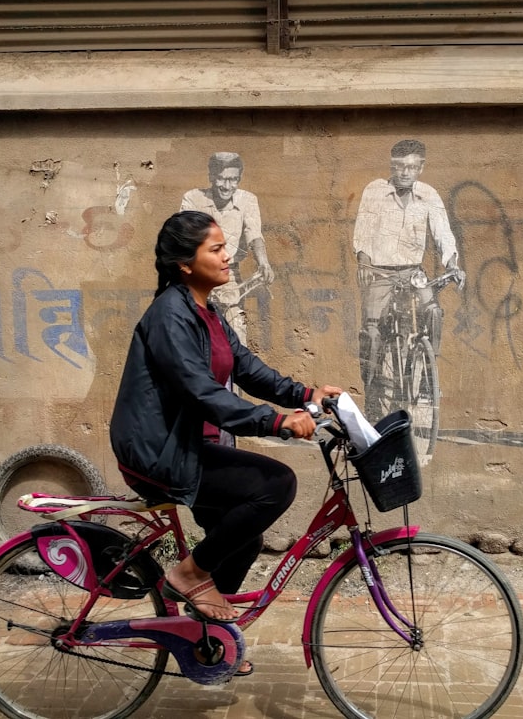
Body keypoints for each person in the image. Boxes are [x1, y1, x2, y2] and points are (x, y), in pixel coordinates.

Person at [110, 211, 341, 641]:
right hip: (156, 452)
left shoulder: (207, 313)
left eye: (225, 247)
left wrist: (307, 397)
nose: (228, 256)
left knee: (242, 539)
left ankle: (205, 641)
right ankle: (190, 573)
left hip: (183, 446)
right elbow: (203, 393)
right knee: (276, 484)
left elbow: (249, 370)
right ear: (185, 263)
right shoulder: (169, 317)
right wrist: (277, 422)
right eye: (215, 249)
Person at [353, 139, 463, 415]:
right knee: (373, 333)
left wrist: (453, 263)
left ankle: (426, 376)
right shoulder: (375, 191)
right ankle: (373, 395)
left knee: (433, 312)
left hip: (413, 273)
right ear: (392, 166)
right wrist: (364, 262)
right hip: (380, 273)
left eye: (412, 167)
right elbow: (362, 233)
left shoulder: (429, 195)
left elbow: (443, 234)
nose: (405, 173)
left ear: (421, 168)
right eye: (399, 167)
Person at [180, 152, 274, 345]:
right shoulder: (193, 198)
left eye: (233, 180)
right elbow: (183, 237)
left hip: (228, 275)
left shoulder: (247, 200)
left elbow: (254, 234)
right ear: (212, 177)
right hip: (197, 275)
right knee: (194, 338)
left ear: (239, 179)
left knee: (237, 335)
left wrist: (263, 262)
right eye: (221, 179)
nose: (226, 186)